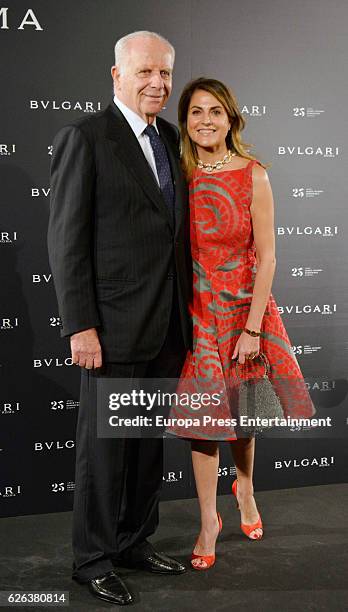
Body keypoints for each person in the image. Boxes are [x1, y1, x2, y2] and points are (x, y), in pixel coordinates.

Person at [47, 31, 192, 605]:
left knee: (146, 447)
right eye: (145, 73)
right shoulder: (86, 137)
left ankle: (133, 541)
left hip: (164, 328)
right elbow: (66, 242)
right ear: (117, 76)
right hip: (110, 329)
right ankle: (93, 558)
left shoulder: (170, 138)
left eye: (165, 74)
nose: (157, 83)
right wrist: (80, 324)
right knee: (104, 452)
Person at [168, 77, 315, 570]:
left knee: (243, 412)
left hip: (243, 309)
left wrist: (253, 328)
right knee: (204, 422)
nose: (205, 120)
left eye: (215, 111)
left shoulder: (253, 174)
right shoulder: (177, 171)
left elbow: (269, 257)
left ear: (231, 118)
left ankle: (246, 488)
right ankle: (209, 519)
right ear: (184, 121)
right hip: (197, 311)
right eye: (195, 112)